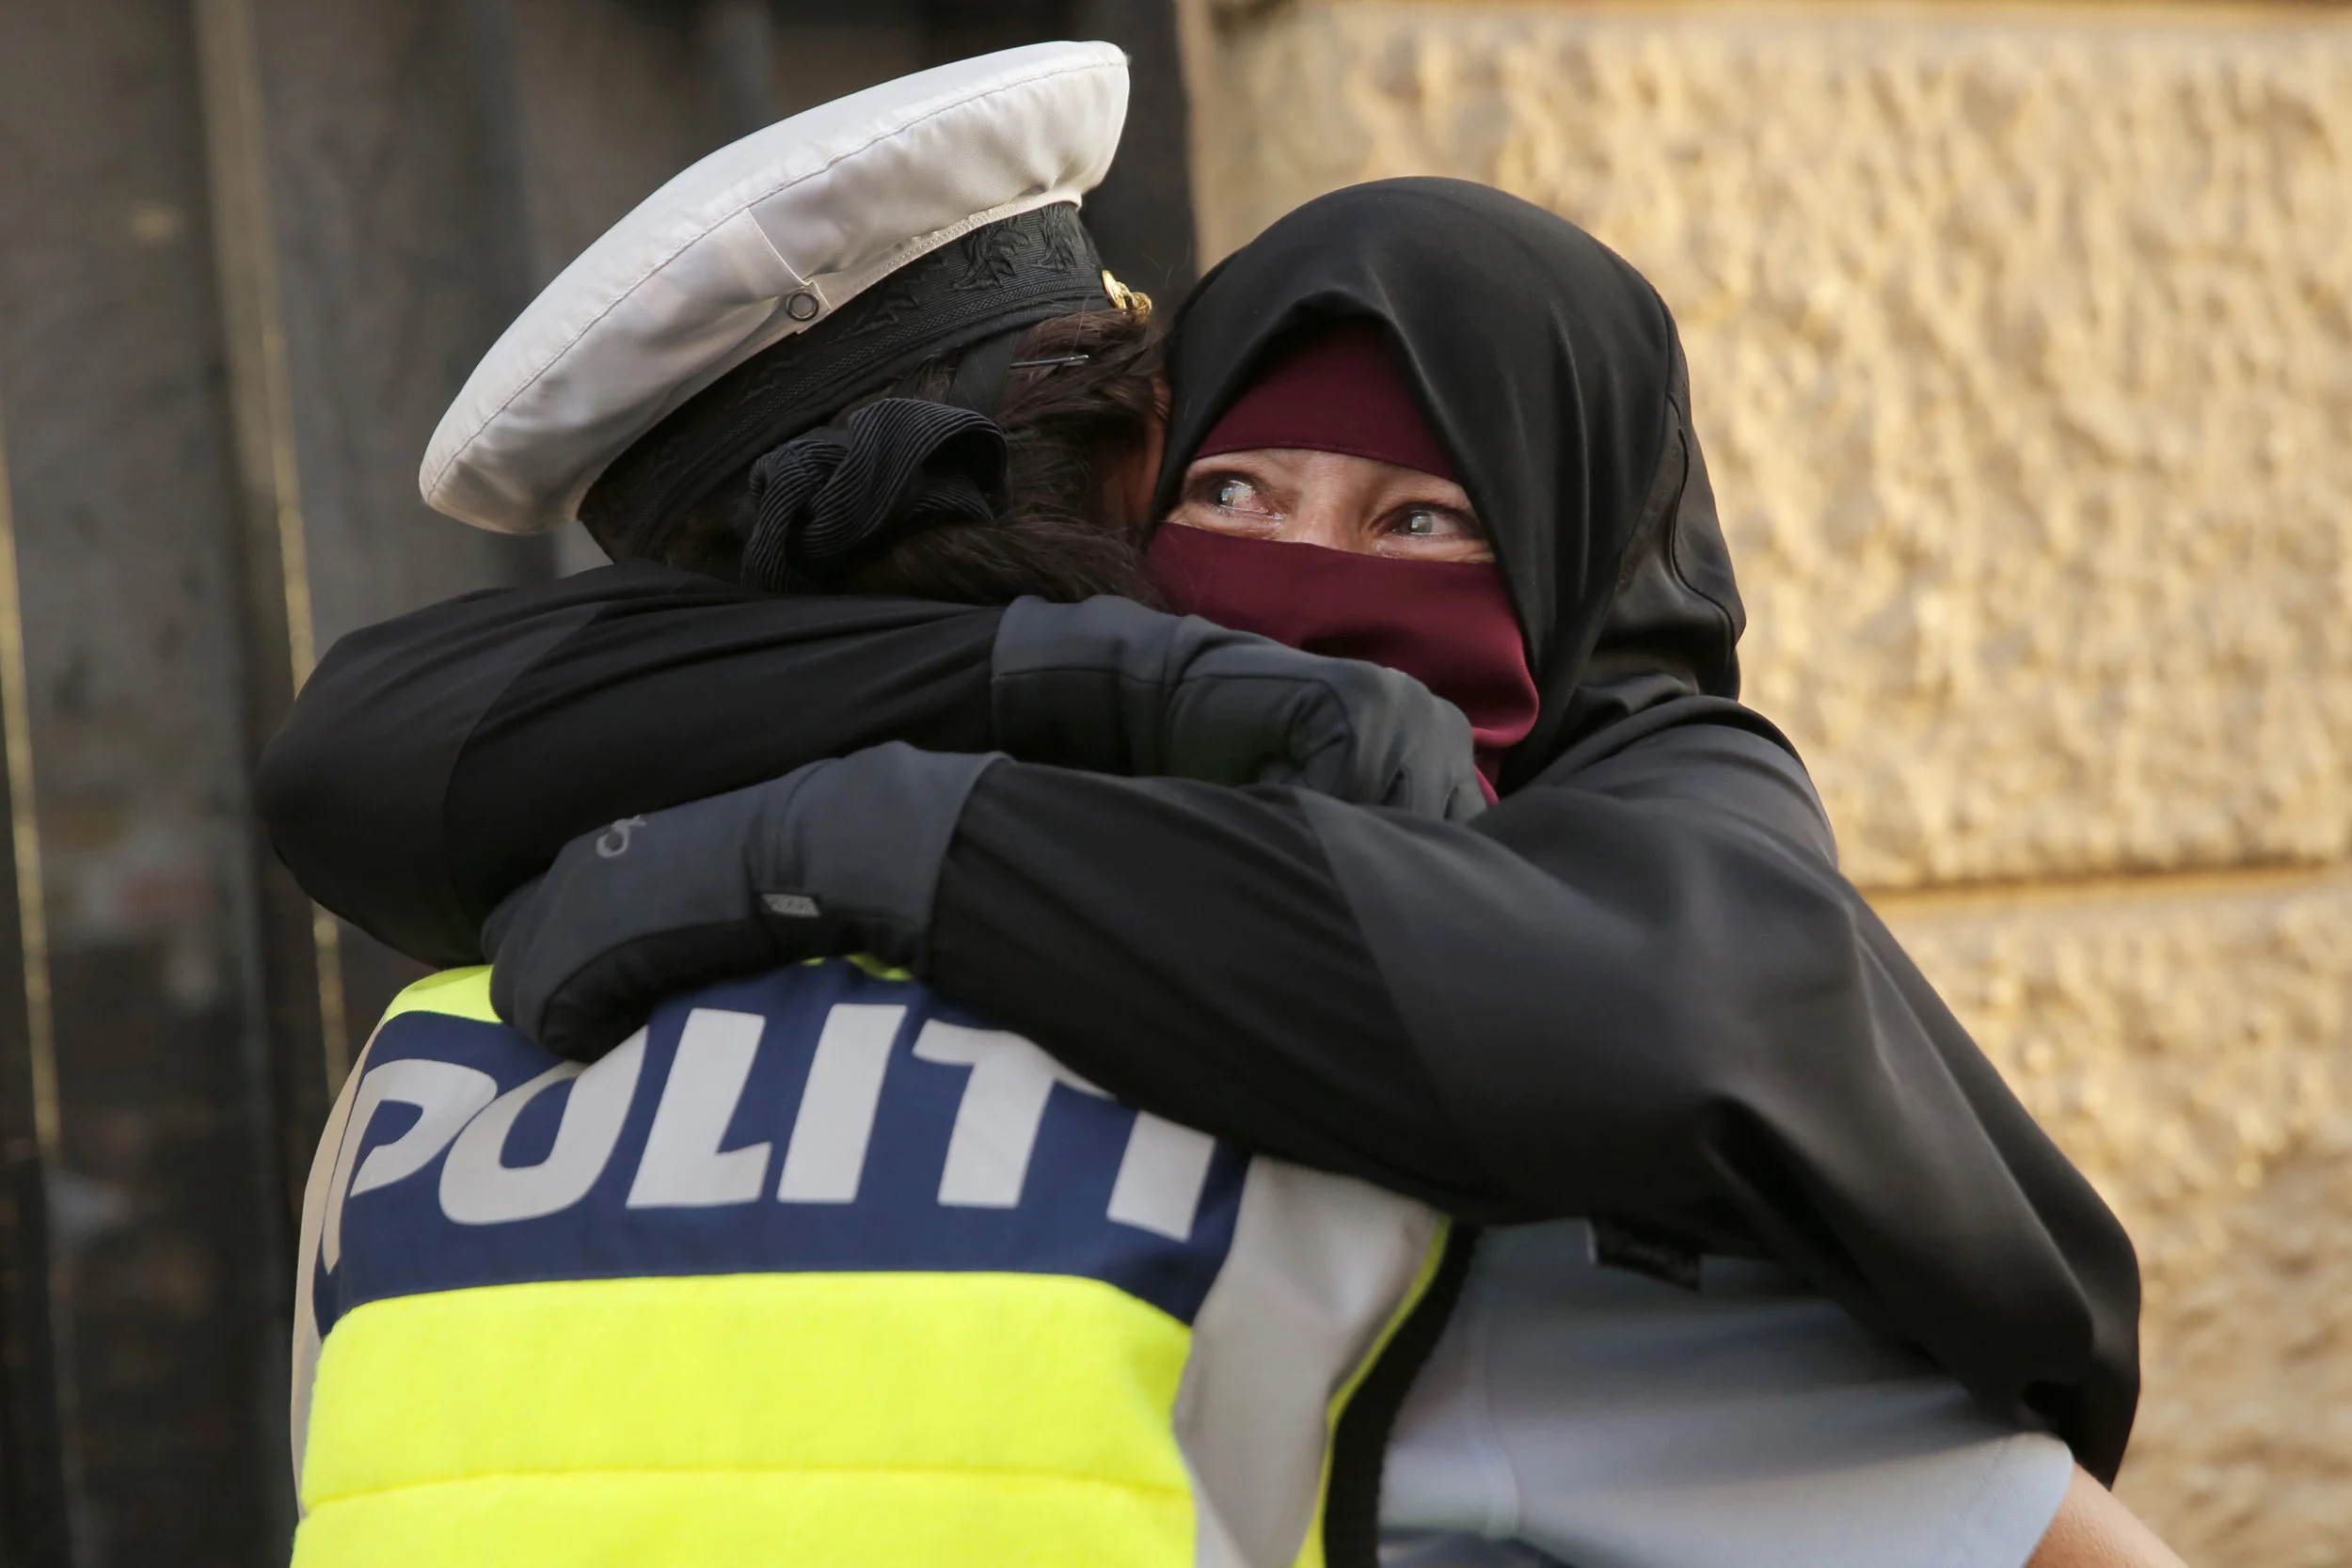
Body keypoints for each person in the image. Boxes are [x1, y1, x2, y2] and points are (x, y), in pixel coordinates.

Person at [263, 66, 2176, 1568]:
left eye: (1419, 515)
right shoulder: (1370, 1127)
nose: (1300, 587)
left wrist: (864, 814)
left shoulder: (433, 1069)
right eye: (1223, 490)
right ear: (1108, 507)